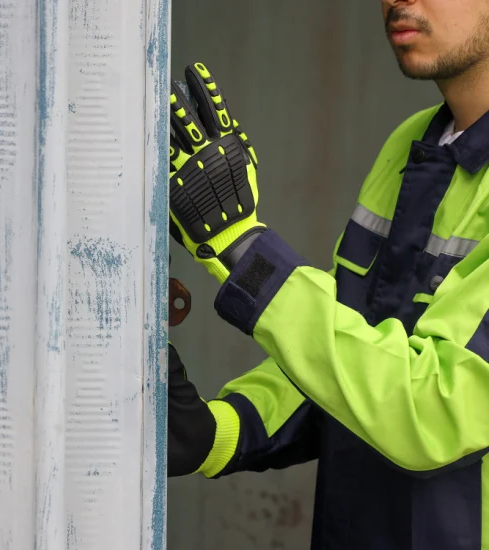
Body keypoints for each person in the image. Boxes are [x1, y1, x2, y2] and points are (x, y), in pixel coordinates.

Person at [167, 1, 489, 548]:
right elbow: (349, 348)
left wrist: (243, 248)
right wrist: (223, 432)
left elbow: (433, 408)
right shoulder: (413, 145)